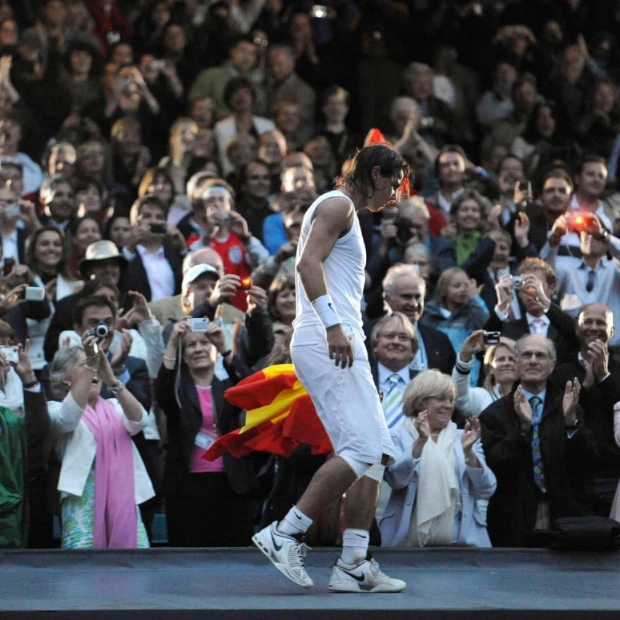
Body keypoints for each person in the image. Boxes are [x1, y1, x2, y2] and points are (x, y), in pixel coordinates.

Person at [252, 143, 407, 593]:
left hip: (337, 339)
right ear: (377, 174)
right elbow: (306, 264)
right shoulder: (339, 204)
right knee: (361, 449)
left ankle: (354, 563)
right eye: (393, 185)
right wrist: (334, 325)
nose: (393, 196)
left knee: (376, 451)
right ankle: (285, 533)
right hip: (328, 340)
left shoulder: (345, 211)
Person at [480, 334, 597, 547]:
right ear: (516, 363)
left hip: (564, 516)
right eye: (526, 355)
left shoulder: (569, 405)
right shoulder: (494, 414)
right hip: (513, 518)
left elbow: (588, 463)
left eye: (540, 355)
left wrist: (571, 423)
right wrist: (522, 429)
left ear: (552, 365)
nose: (533, 360)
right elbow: (493, 464)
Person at [156, 318, 260, 546]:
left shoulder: (228, 386)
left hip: (230, 484)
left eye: (204, 343)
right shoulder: (178, 387)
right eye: (191, 345)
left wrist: (224, 347)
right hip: (187, 487)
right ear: (184, 355)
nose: (199, 349)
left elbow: (254, 388)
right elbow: (163, 390)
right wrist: (173, 342)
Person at [47, 336, 154, 549]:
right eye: (86, 364)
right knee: (83, 570)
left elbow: (140, 421)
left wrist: (112, 379)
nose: (93, 370)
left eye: (95, 366)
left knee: (133, 565)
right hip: (81, 503)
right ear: (66, 379)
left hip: (123, 498)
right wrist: (91, 366)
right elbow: (68, 419)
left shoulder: (115, 405)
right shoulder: (54, 409)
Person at [381, 370, 496, 548]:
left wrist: (469, 454)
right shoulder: (395, 436)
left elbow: (487, 489)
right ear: (420, 401)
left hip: (462, 544)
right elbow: (397, 480)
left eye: (451, 400)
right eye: (441, 399)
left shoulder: (463, 437)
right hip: (407, 545)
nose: (448, 406)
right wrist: (420, 442)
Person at [0, 327, 49, 548]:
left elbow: (36, 433)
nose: (3, 349)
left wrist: (28, 378)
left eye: (8, 343)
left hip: (21, 484)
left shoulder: (21, 382)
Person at [453, 332, 518, 418]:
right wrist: (464, 358)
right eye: (501, 359)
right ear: (490, 368)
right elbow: (459, 399)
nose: (506, 363)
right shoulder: (482, 396)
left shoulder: (531, 395)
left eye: (512, 359)